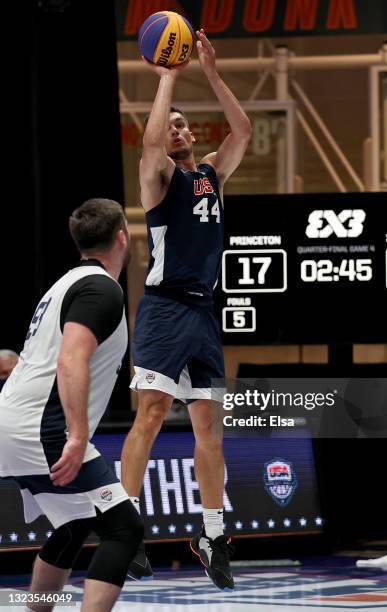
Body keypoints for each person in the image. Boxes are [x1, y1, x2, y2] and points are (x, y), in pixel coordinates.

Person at [121, 30, 252, 590]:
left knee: (210, 431)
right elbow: (148, 146)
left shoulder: (211, 176)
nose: (177, 129)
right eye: (170, 123)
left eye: (181, 123)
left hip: (203, 314)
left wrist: (212, 72)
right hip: (163, 308)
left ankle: (212, 533)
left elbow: (242, 130)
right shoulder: (159, 179)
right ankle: (123, 527)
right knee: (149, 415)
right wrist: (167, 74)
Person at [0, 199, 144, 612]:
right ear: (122, 237)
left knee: (77, 522)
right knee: (123, 529)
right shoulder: (102, 288)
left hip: (14, 422)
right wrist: (77, 435)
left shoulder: (64, 285)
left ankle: (38, 607)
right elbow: (70, 360)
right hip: (41, 428)